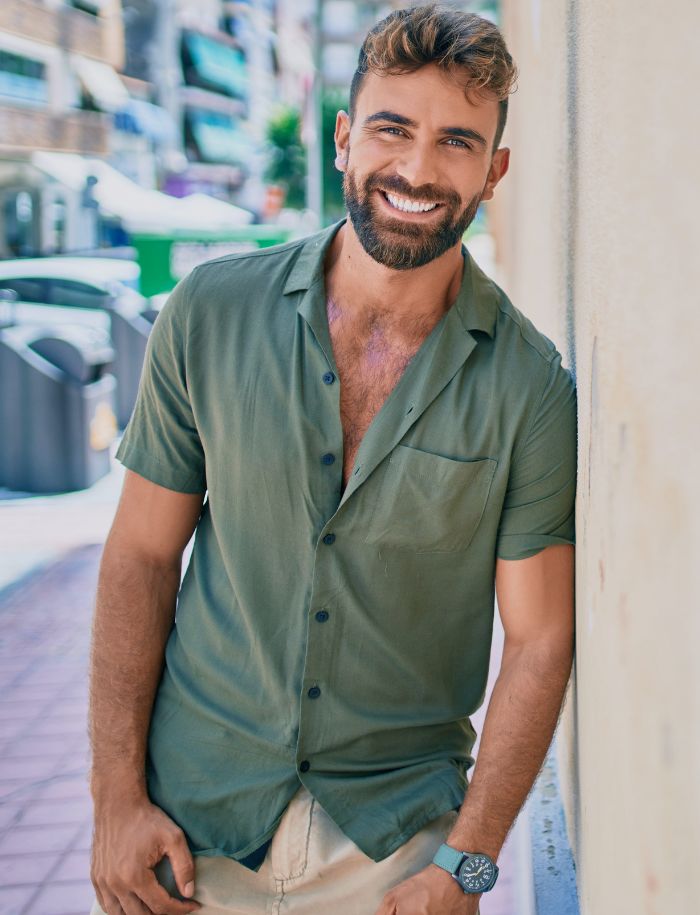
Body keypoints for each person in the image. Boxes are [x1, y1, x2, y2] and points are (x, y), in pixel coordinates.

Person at [88, 5, 577, 915]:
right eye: (393, 130)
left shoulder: (531, 386)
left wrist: (467, 865)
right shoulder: (209, 314)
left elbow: (541, 639)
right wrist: (115, 800)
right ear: (346, 139)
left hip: (396, 853)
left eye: (458, 142)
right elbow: (143, 556)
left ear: (495, 170)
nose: (420, 170)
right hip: (188, 828)